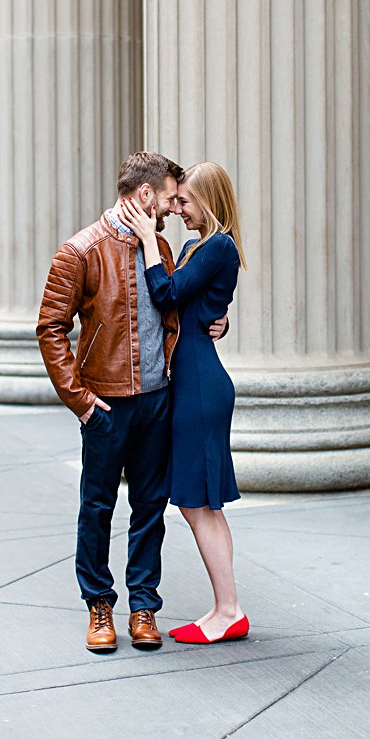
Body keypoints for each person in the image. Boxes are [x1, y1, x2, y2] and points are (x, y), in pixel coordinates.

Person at [38, 151, 187, 654]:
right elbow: (50, 329)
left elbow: (170, 309)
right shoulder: (79, 250)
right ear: (145, 195)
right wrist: (79, 400)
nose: (171, 207)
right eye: (167, 197)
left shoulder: (160, 249)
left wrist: (214, 324)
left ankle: (143, 605)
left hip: (157, 400)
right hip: (105, 404)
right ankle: (99, 605)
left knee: (150, 507)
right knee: (97, 506)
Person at [118, 160, 248, 644]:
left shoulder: (218, 246)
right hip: (192, 379)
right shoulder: (199, 246)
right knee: (202, 506)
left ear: (208, 202)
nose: (179, 209)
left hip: (199, 387)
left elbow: (165, 291)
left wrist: (149, 241)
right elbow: (196, 306)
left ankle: (228, 609)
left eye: (185, 201)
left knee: (199, 505)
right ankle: (227, 607)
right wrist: (218, 317)